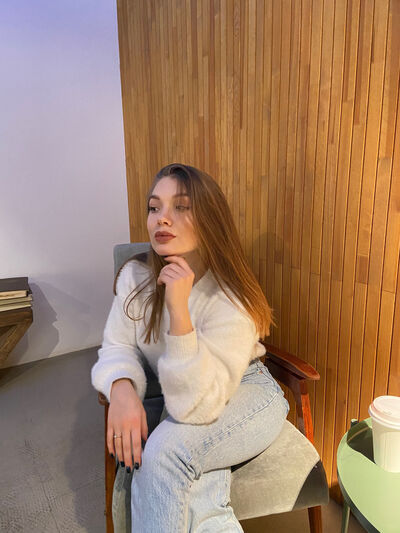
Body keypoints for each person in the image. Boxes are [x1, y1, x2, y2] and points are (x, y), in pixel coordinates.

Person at [91, 163, 290, 532]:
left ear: (210, 219)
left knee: (164, 453)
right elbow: (116, 345)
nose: (162, 218)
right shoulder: (135, 277)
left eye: (181, 206)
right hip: (185, 392)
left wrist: (178, 310)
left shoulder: (230, 296)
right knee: (198, 495)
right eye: (154, 207)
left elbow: (193, 408)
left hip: (246, 392)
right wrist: (121, 388)